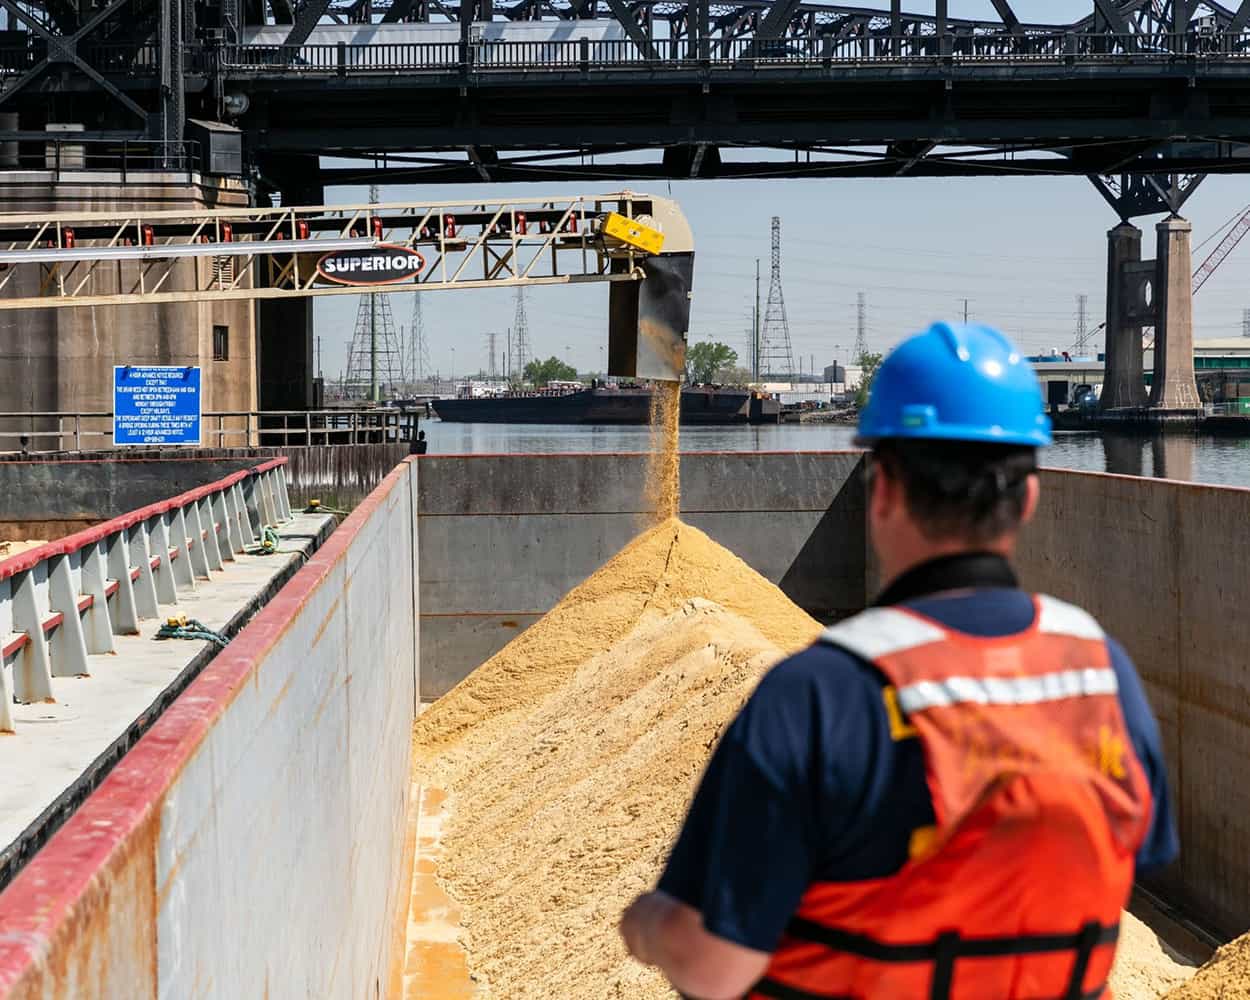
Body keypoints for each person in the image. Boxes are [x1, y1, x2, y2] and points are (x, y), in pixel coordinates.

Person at [619, 322, 1176, 1000]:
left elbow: (714, 968)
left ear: (881, 488)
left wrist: (650, 926)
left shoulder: (819, 695)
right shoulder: (1097, 669)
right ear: (1028, 496)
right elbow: (1134, 856)